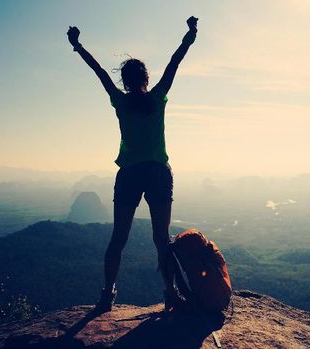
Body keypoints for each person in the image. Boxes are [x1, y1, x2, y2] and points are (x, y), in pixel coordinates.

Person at [66, 16, 198, 313]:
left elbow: (98, 71)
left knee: (118, 238)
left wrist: (78, 46)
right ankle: (171, 293)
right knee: (161, 238)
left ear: (125, 81)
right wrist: (190, 35)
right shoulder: (158, 97)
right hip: (158, 173)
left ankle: (107, 295)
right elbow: (174, 63)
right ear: (146, 79)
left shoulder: (120, 101)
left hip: (129, 174)